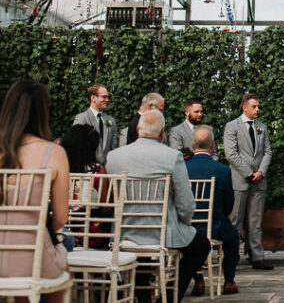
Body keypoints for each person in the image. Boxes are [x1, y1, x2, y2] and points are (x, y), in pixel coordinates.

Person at [0, 79, 70, 296]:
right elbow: (60, 219)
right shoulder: (54, 153)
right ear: (42, 112)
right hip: (31, 258)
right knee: (65, 273)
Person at [105, 109, 210, 302]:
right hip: (163, 235)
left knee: (140, 253)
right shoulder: (172, 156)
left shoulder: (113, 157)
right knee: (201, 245)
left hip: (123, 234)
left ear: (138, 129)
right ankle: (168, 297)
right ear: (162, 133)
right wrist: (185, 222)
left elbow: (110, 199)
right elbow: (185, 204)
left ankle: (142, 296)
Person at [186, 125, 240, 295]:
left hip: (188, 229)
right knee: (233, 237)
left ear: (193, 146)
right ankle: (229, 280)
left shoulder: (183, 168)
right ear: (213, 145)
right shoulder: (223, 171)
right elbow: (229, 205)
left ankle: (198, 279)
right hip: (216, 226)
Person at [223, 93, 272, 270]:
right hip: (240, 180)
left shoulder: (262, 127)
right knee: (235, 219)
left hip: (259, 181)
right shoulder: (231, 126)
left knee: (255, 221)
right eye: (254, 106)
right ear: (244, 107)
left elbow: (267, 152)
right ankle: (231, 256)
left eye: (258, 106)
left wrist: (261, 172)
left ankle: (257, 257)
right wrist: (248, 173)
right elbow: (231, 154)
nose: (257, 109)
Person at [71, 83, 118, 165]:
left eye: (107, 97)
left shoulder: (111, 120)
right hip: (88, 170)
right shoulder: (82, 118)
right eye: (104, 97)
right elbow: (77, 146)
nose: (107, 100)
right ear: (93, 98)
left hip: (107, 169)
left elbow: (114, 148)